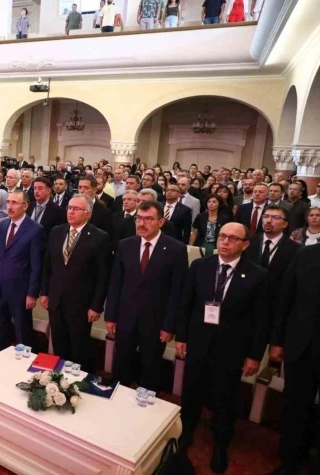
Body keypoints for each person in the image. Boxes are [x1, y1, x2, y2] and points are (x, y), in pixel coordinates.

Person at [175, 223, 269, 473]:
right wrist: (181, 337)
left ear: (245, 245)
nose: (225, 242)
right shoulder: (200, 266)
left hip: (231, 348)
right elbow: (185, 304)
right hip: (198, 341)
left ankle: (220, 444)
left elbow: (262, 320)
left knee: (224, 397)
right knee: (191, 391)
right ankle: (186, 433)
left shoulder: (258, 275)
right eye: (222, 236)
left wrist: (254, 355)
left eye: (233, 238)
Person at [105, 200, 188, 392]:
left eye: (148, 219)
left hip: (156, 321)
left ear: (161, 222)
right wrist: (110, 316)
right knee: (121, 366)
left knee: (150, 369)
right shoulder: (125, 245)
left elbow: (177, 291)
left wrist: (169, 326)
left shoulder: (176, 249)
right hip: (126, 317)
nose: (142, 223)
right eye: (139, 218)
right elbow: (115, 283)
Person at [40, 194, 111, 368]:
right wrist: (44, 292)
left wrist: (96, 306)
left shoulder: (100, 237)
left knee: (79, 347)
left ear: (88, 213)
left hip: (81, 304)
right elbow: (47, 265)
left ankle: (76, 380)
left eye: (76, 209)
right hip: (56, 299)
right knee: (59, 343)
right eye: (69, 208)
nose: (70, 212)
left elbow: (103, 276)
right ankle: (59, 377)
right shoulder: (57, 231)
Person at [268, 244, 320, 475]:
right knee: (295, 407)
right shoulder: (306, 254)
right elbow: (285, 299)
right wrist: (277, 341)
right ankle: (289, 462)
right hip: (302, 346)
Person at [0, 190, 43, 350]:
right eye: (8, 202)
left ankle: (24, 361)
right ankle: (2, 357)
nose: (9, 206)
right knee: (0, 328)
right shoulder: (3, 225)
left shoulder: (35, 230)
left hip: (21, 291)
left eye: (14, 203)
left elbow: (36, 265)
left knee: (22, 331)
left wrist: (32, 293)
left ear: (25, 206)